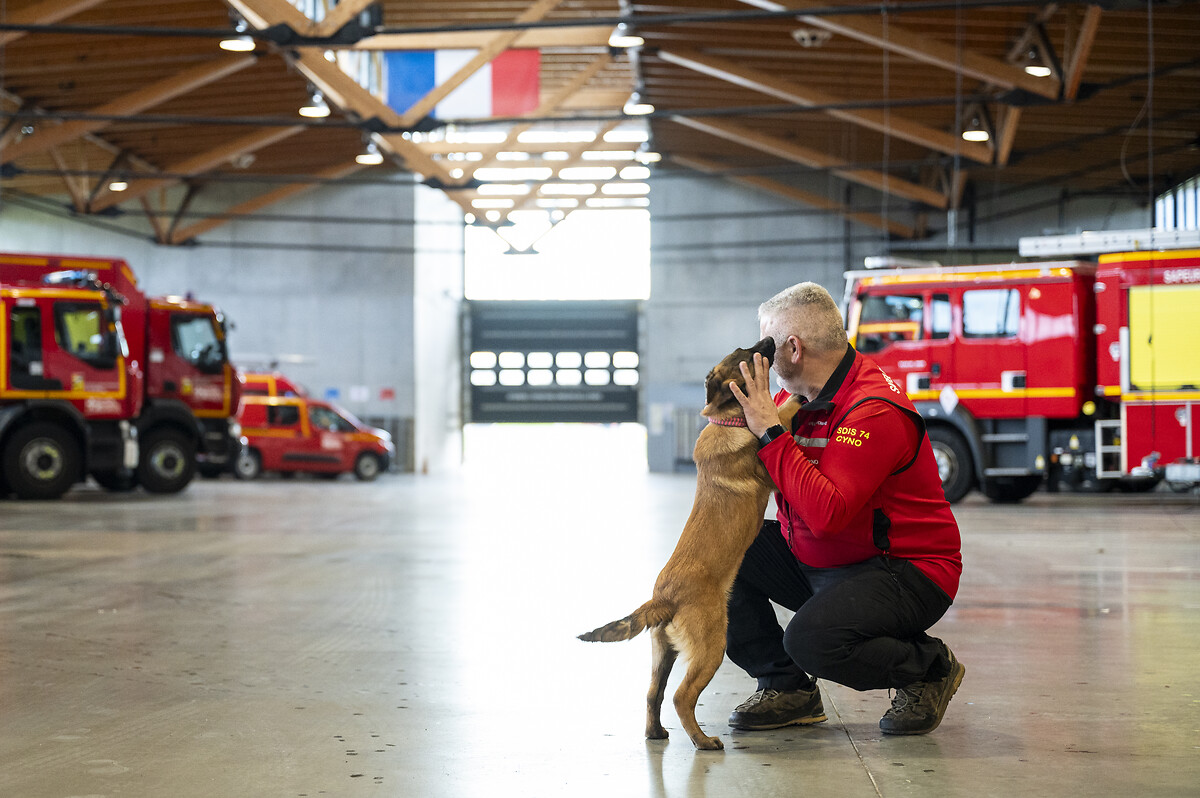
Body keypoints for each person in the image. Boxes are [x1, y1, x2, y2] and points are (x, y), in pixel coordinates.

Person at [725, 281, 964, 736]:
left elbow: (828, 513)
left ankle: (929, 668)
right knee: (725, 553)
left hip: (904, 570)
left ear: (793, 348)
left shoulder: (873, 409)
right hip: (829, 559)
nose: (762, 358)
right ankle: (787, 686)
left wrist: (771, 435)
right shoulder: (797, 400)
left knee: (812, 641)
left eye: (766, 346)